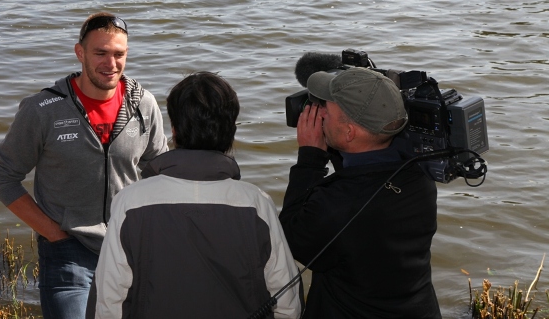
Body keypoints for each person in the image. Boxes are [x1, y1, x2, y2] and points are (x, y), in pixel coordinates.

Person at [0, 12, 168, 319]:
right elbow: (3, 178)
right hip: (68, 250)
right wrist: (54, 234)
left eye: (119, 54)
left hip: (129, 248)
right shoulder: (42, 109)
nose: (111, 64)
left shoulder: (144, 105)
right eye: (100, 53)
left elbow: (161, 173)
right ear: (80, 52)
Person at [86, 71, 303, 319]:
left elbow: (107, 304)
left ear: (174, 130)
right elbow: (289, 305)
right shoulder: (257, 204)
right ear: (231, 131)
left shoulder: (130, 203)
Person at [278, 67, 441, 319]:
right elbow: (363, 171)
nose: (318, 112)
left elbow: (292, 240)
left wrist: (310, 159)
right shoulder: (420, 175)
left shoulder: (335, 206)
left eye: (325, 108)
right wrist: (336, 144)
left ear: (350, 132)